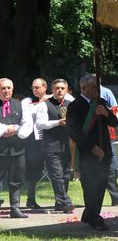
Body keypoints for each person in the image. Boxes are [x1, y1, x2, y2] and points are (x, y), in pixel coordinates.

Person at [67, 74, 118, 231]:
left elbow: (114, 123)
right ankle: (95, 218)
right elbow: (74, 132)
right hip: (87, 154)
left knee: (101, 184)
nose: (97, 90)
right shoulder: (75, 106)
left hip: (105, 152)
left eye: (98, 87)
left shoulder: (101, 102)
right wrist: (92, 147)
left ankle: (90, 214)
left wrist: (107, 113)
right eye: (94, 87)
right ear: (83, 88)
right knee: (90, 186)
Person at [36, 79, 75, 213]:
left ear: (66, 90)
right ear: (52, 90)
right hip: (51, 145)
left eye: (62, 88)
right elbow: (39, 124)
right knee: (56, 175)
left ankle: (60, 203)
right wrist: (57, 122)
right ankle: (66, 202)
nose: (60, 91)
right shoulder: (44, 104)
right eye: (57, 88)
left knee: (65, 175)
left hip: (67, 145)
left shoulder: (71, 104)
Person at [92, 75, 118, 207]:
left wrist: (114, 119)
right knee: (101, 168)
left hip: (108, 133)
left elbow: (115, 110)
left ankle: (116, 196)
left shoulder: (106, 92)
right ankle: (113, 196)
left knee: (110, 164)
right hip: (93, 137)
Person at [0, 78, 33, 218]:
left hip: (17, 149)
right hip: (0, 149)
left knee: (16, 179)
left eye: (8, 88)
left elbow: (28, 124)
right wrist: (5, 129)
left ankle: (15, 208)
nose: (5, 90)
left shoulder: (20, 105)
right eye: (2, 88)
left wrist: (17, 129)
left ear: (12, 89)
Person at [21, 78, 49, 209]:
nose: (35, 90)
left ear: (45, 87)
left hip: (50, 139)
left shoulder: (52, 99)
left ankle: (61, 200)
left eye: (37, 87)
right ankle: (30, 198)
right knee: (34, 170)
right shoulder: (27, 101)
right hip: (33, 141)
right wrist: (41, 104)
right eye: (33, 87)